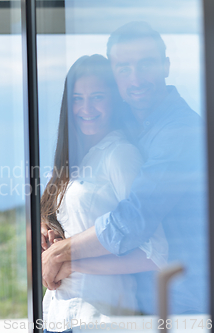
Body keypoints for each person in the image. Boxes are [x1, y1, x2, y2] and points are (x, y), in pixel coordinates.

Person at [41, 21, 206, 316]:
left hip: (186, 306)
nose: (136, 79)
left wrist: (63, 253)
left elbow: (133, 218)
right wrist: (47, 215)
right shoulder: (133, 122)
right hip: (143, 306)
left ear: (166, 66)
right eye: (124, 68)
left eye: (146, 65)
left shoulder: (179, 132)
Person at [40, 54, 167, 333]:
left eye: (97, 97)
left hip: (101, 318)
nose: (86, 108)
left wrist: (72, 262)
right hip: (59, 315)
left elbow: (156, 254)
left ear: (114, 100)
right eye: (77, 98)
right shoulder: (76, 161)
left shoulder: (121, 155)